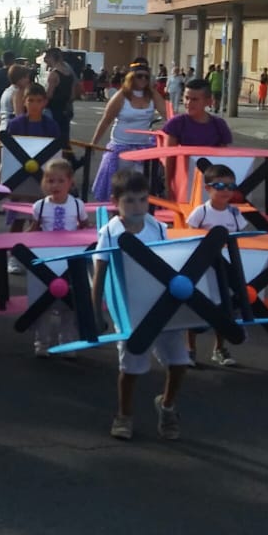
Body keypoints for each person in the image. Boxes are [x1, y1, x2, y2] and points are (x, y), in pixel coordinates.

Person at [94, 169, 182, 441]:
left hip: (161, 304)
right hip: (131, 310)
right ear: (115, 202)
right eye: (130, 200)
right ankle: (124, 414)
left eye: (143, 200)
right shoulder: (109, 233)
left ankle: (167, 406)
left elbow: (169, 263)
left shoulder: (157, 227)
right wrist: (96, 313)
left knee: (179, 362)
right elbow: (99, 276)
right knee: (131, 368)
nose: (138, 206)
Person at [24, 156, 91, 357]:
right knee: (42, 303)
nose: (56, 185)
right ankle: (42, 342)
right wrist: (18, 244)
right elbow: (34, 230)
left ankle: (67, 343)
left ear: (70, 182)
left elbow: (84, 229)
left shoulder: (78, 205)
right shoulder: (40, 206)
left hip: (70, 260)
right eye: (51, 180)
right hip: (46, 259)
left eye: (61, 180)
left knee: (69, 305)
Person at [183, 164, 248, 368]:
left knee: (225, 309)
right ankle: (189, 349)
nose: (226, 191)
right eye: (220, 186)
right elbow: (187, 237)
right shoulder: (200, 212)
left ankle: (219, 349)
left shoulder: (235, 214)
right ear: (207, 188)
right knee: (197, 308)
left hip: (226, 269)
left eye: (231, 186)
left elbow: (241, 240)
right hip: (202, 269)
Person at [88, 63, 166, 202]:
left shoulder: (152, 95)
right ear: (131, 77)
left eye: (146, 77)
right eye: (139, 76)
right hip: (120, 148)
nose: (143, 79)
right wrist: (93, 144)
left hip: (143, 148)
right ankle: (116, 217)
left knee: (140, 188)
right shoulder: (121, 96)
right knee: (119, 188)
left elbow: (168, 115)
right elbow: (106, 121)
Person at [43, 48, 76, 132]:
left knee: (52, 137)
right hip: (65, 109)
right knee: (64, 137)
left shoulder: (53, 74)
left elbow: (49, 95)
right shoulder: (69, 73)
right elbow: (72, 96)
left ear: (51, 58)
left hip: (53, 110)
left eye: (46, 58)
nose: (45, 61)